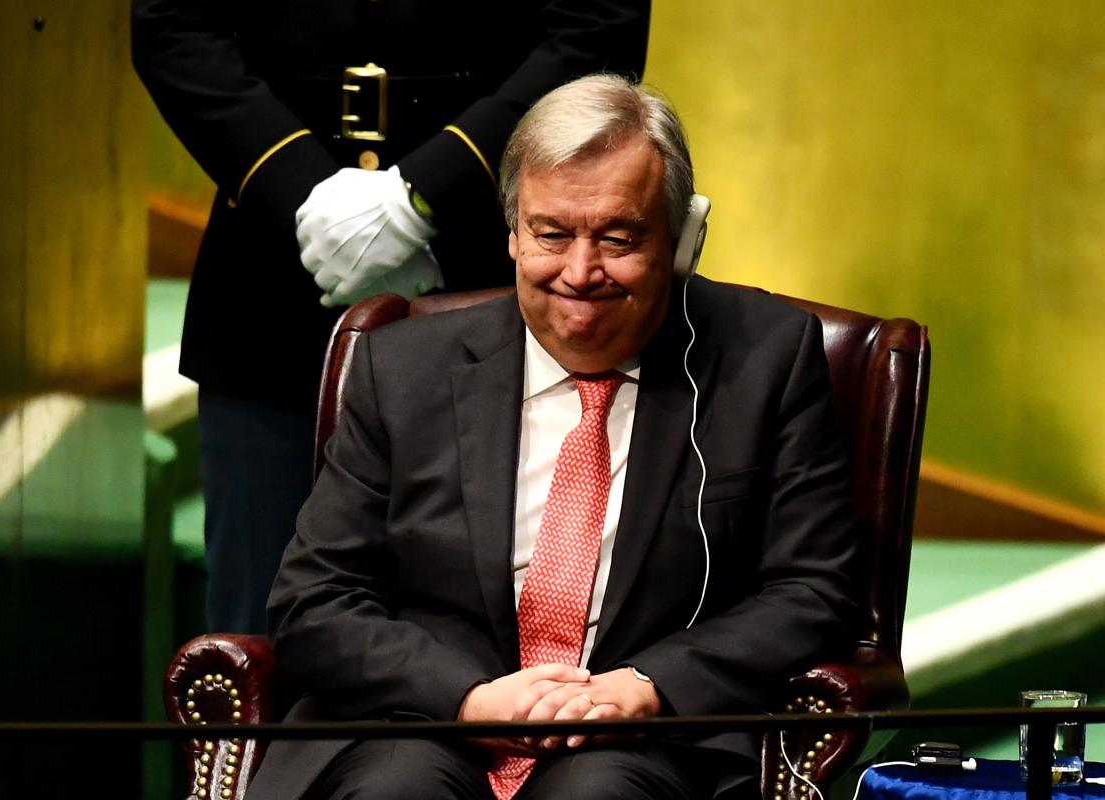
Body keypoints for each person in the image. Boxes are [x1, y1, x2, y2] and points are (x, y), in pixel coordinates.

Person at [249, 74, 859, 800]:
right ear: (511, 233)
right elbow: (313, 601)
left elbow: (813, 588)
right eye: (551, 234)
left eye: (619, 238)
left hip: (647, 741)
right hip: (425, 721)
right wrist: (470, 698)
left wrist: (650, 685)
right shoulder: (402, 364)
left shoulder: (766, 361)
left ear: (681, 240)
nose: (580, 272)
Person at [130, 1, 651, 633]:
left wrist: (426, 194)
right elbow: (174, 25)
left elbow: (599, 28)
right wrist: (304, 195)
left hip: (489, 266)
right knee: (258, 644)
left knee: (491, 638)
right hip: (272, 287)